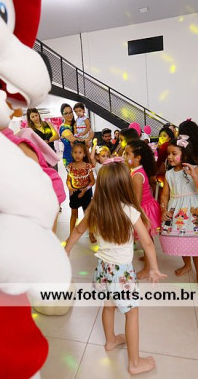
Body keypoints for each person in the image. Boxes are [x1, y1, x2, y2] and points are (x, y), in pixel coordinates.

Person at [64, 159, 167, 375]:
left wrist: (67, 250)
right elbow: (147, 242)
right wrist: (154, 268)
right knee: (132, 313)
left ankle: (110, 341)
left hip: (103, 269)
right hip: (122, 273)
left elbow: (78, 230)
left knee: (109, 305)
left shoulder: (95, 208)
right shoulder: (129, 210)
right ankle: (135, 363)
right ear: (124, 186)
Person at [159, 122, 198, 286]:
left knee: (196, 244)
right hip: (177, 211)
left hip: (195, 211)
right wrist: (163, 209)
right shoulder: (169, 174)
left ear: (184, 155)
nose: (170, 157)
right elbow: (165, 195)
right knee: (182, 240)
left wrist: (195, 176)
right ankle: (187, 265)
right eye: (169, 154)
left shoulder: (194, 169)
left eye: (174, 154)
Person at [124, 140, 162, 279]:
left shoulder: (137, 176)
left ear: (138, 158)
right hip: (145, 206)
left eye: (127, 154)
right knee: (147, 238)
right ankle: (149, 258)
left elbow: (137, 200)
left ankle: (147, 268)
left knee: (146, 238)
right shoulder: (135, 171)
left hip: (143, 210)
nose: (124, 156)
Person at [66, 142, 95, 234]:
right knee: (74, 213)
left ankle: (91, 234)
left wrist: (85, 189)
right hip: (74, 193)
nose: (77, 155)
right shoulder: (70, 166)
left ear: (84, 154)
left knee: (87, 214)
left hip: (86, 192)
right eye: (75, 152)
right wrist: (70, 187)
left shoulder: (88, 167)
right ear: (72, 153)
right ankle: (71, 233)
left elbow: (92, 181)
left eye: (80, 152)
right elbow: (68, 180)